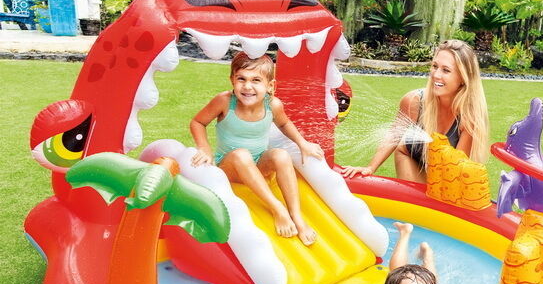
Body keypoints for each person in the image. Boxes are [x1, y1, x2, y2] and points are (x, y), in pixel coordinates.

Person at [190, 52, 323, 246]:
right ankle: (277, 208)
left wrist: (303, 143)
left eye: (256, 80)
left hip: (258, 165)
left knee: (281, 155)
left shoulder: (273, 105)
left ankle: (297, 216)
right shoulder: (224, 102)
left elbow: (284, 124)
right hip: (229, 169)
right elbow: (197, 122)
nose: (247, 86)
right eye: (241, 79)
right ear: (232, 80)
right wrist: (204, 149)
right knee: (242, 155)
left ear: (270, 86)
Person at [341, 39, 489, 182]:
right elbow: (394, 135)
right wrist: (370, 167)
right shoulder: (414, 101)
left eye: (446, 70)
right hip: (410, 159)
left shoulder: (469, 118)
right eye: (435, 66)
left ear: (463, 77)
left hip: (448, 176)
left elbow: (455, 173)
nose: (436, 75)